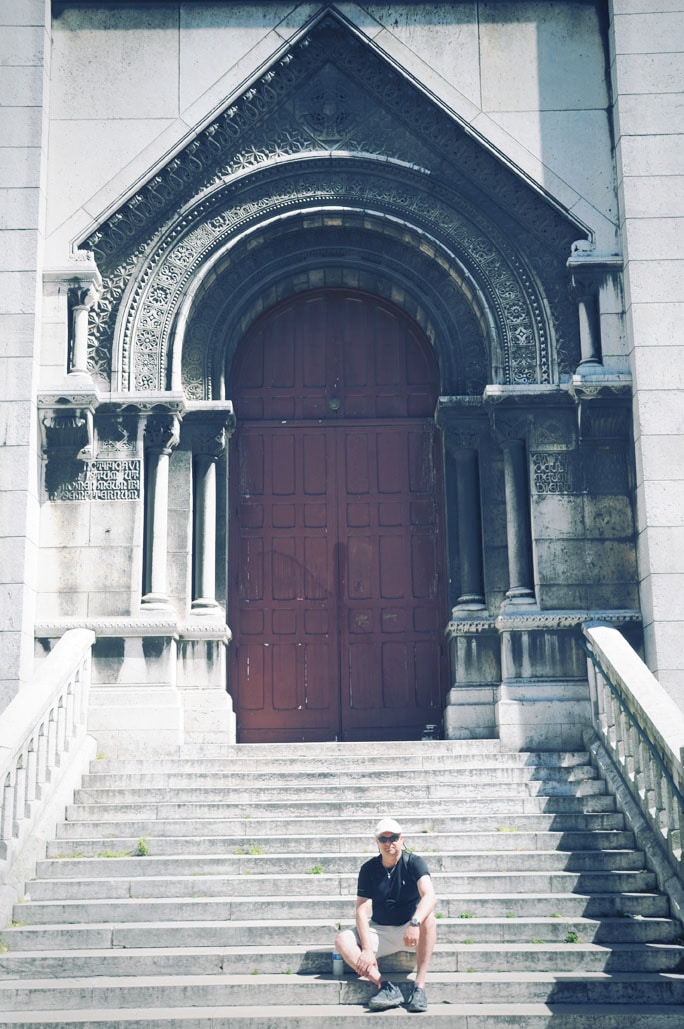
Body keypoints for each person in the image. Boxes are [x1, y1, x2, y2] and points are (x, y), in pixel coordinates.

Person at [334, 817, 437, 1013]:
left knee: (429, 919)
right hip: (380, 930)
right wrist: (366, 948)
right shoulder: (369, 869)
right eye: (383, 839)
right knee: (342, 940)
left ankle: (419, 987)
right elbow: (362, 910)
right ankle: (385, 986)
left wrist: (414, 923)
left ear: (401, 839)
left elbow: (429, 895)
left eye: (393, 838)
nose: (388, 843)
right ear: (377, 842)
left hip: (409, 930)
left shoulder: (414, 862)